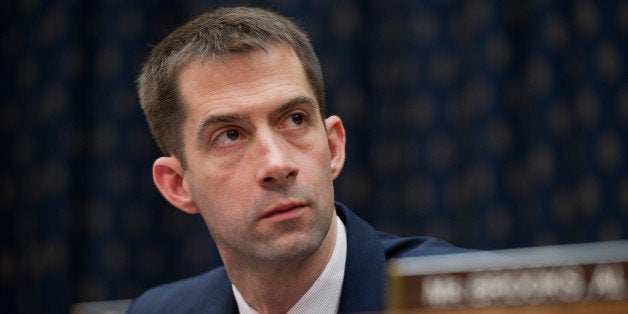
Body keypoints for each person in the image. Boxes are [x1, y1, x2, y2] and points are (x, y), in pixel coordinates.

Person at [128, 6, 467, 313]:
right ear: (177, 186)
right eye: (229, 135)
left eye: (295, 119)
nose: (277, 164)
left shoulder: (464, 300)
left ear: (333, 148)